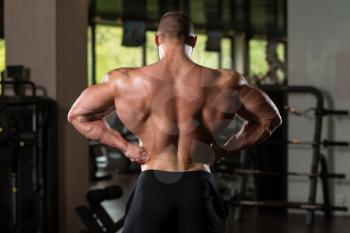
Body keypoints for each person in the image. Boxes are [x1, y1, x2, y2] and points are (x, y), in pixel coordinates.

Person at [67, 11, 282, 233]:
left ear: (157, 39)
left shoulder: (123, 81)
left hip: (151, 186)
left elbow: (77, 116)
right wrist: (226, 148)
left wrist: (125, 146)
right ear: (194, 41)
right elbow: (270, 118)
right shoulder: (226, 81)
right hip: (197, 184)